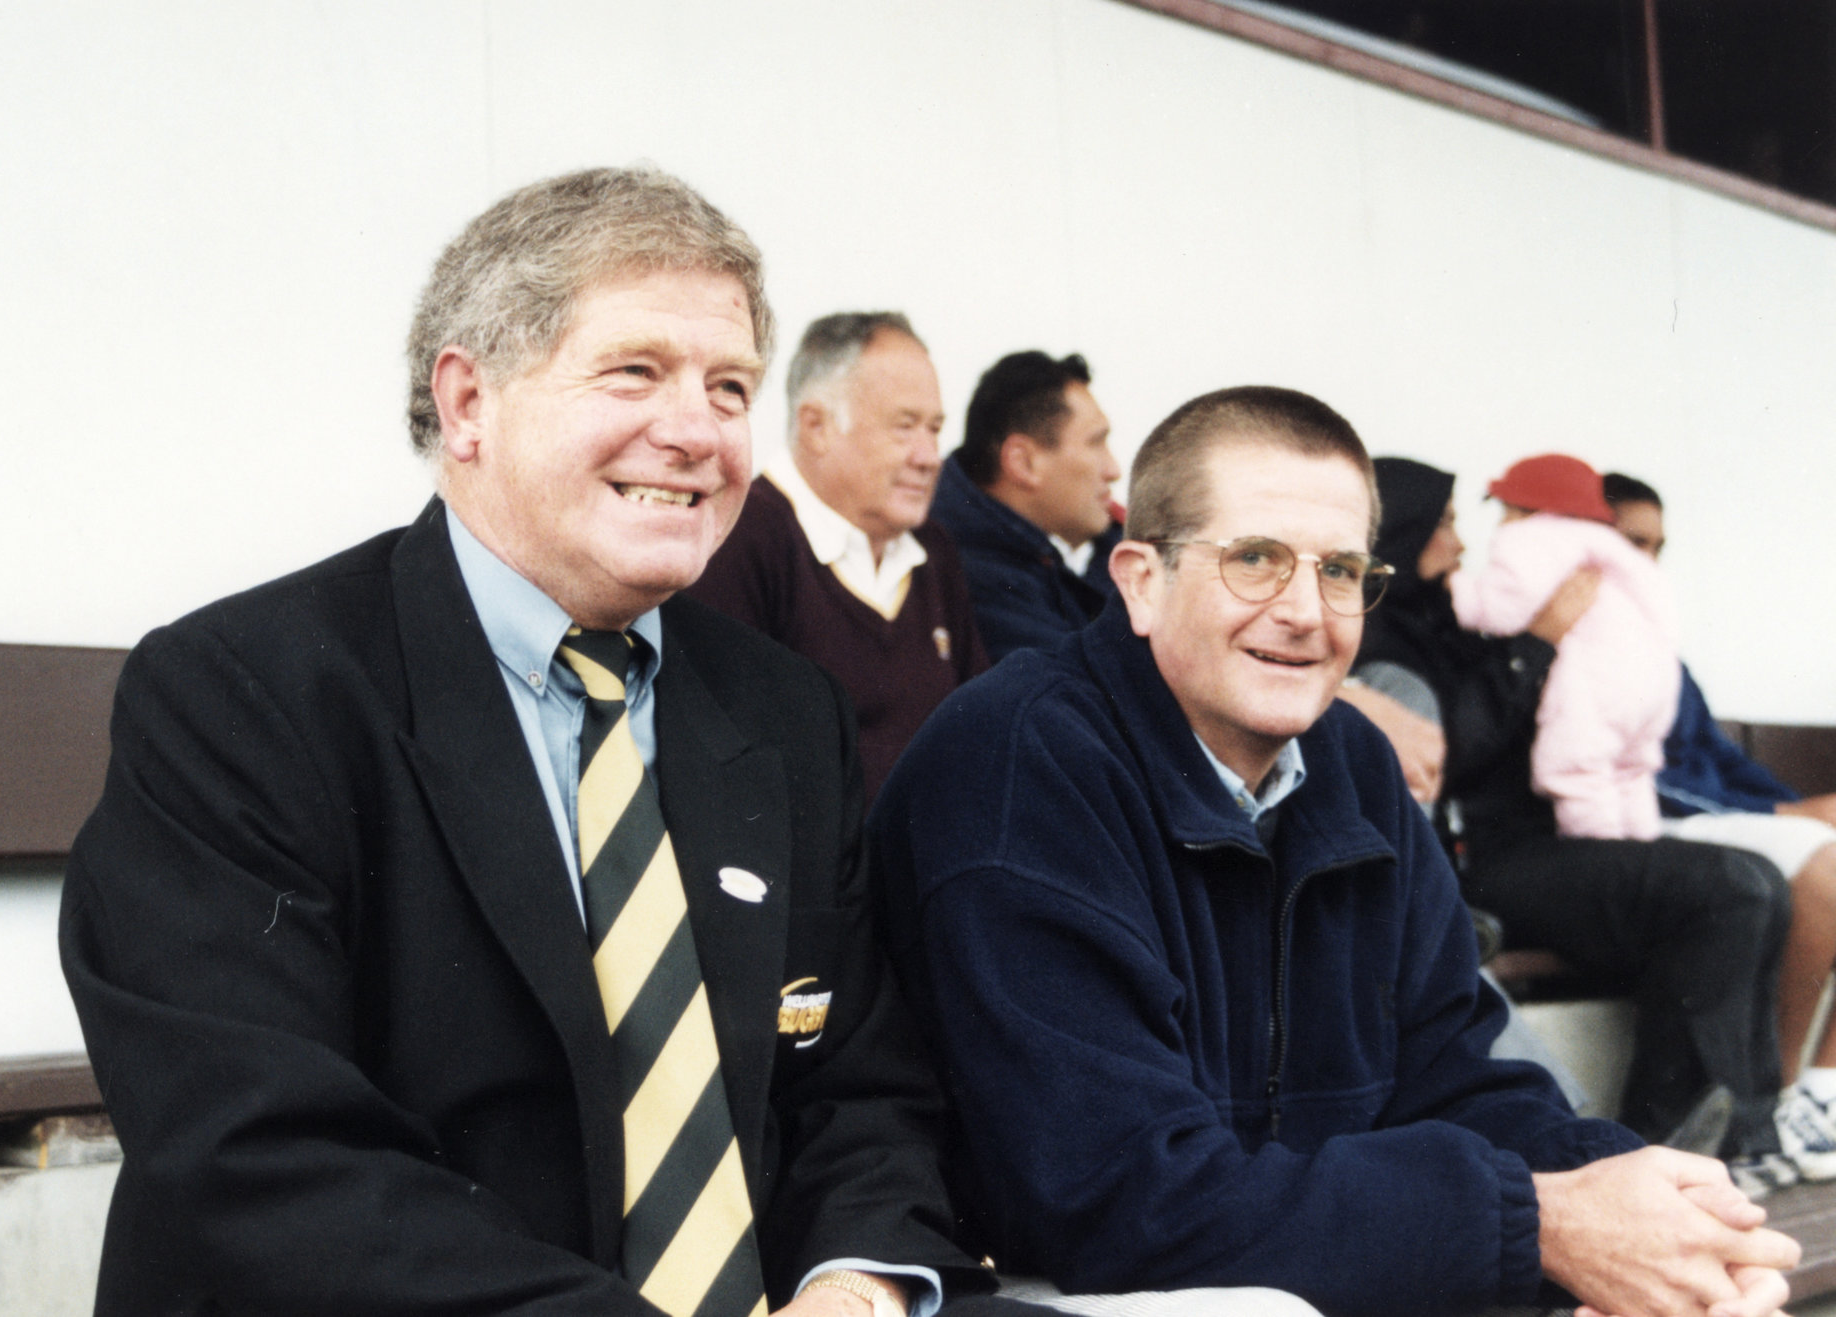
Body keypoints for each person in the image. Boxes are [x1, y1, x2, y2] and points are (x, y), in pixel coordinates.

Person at [60, 167, 1031, 1317]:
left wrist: (854, 1285)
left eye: (728, 387)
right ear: (468, 403)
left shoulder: (784, 712)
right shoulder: (245, 694)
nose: (697, 431)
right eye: (634, 372)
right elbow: (260, 1155)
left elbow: (861, 1089)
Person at [870, 387, 1799, 1317]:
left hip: (1269, 1255)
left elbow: (1455, 1076)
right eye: (1256, 559)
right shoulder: (1019, 761)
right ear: (1142, 581)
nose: (1307, 612)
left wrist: (1643, 1203)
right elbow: (1115, 1197)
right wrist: (1540, 1225)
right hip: (1027, 1280)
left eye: (1342, 571)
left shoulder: (1351, 761)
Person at [1358, 457, 1794, 1188]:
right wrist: (1539, 642)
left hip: (1543, 847)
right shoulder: (1380, 641)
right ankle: (1666, 1146)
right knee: (1723, 887)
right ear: (1402, 530)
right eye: (1445, 523)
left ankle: (1746, 1135)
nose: (1463, 543)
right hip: (1480, 861)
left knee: (1757, 880)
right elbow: (1447, 755)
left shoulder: (1454, 619)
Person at [1606, 471, 1836, 1180]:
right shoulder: (1569, 644)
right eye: (1631, 542)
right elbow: (1635, 777)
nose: (1647, 562)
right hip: (1641, 833)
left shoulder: (1660, 652)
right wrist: (1787, 816)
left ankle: (1824, 1090)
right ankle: (1783, 1098)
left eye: (1657, 546)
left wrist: (1803, 804)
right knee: (1822, 861)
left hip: (1712, 822)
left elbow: (1723, 762)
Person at [685, 313, 987, 801]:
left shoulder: (933, 549)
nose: (929, 456)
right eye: (904, 427)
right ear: (816, 426)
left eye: (934, 429)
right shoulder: (738, 539)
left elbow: (981, 726)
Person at [1450, 453, 1682, 840]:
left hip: (1597, 680)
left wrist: (1457, 593)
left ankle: (1600, 851)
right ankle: (1641, 845)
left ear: (1525, 509)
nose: (1502, 525)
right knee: (1630, 773)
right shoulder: (1614, 552)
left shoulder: (1533, 537)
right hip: (1653, 685)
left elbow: (1502, 607)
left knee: (1576, 770)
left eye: (1505, 512)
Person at [929, 351, 1123, 659]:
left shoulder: (1009, 555)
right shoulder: (966, 573)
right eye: (1096, 443)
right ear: (1023, 462)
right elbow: (1088, 674)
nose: (1114, 470)